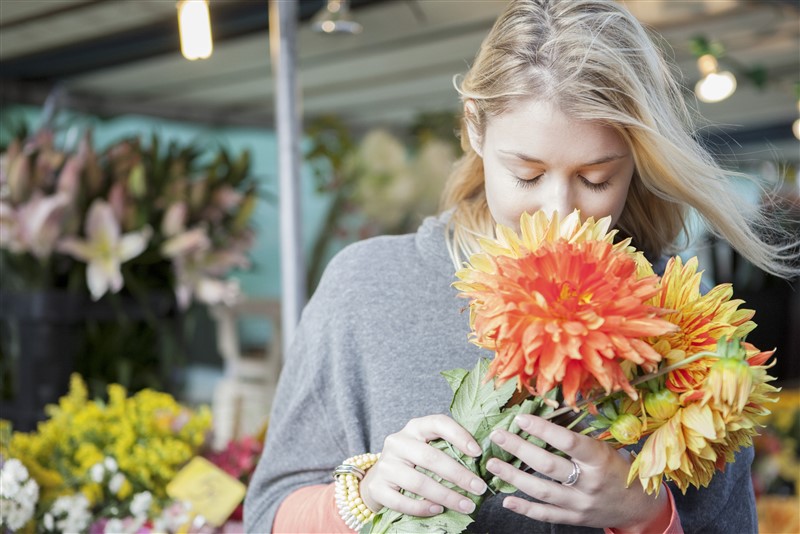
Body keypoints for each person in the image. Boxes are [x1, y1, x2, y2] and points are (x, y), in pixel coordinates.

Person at [244, 0, 797, 532]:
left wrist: (643, 516)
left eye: (597, 178)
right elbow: (268, 514)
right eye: (527, 175)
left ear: (638, 160)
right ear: (475, 129)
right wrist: (364, 498)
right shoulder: (367, 286)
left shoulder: (683, 329)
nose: (559, 211)